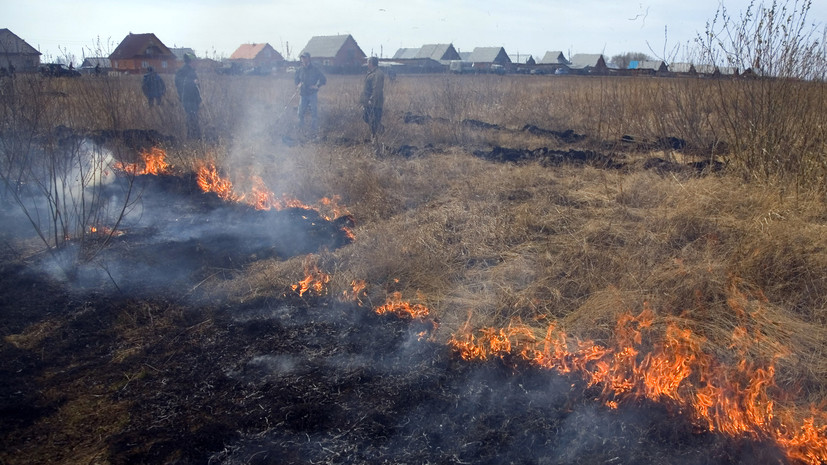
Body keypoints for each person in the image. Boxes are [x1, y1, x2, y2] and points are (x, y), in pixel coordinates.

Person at [294, 52, 326, 136]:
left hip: (312, 94)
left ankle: (314, 130)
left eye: (305, 58)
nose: (303, 60)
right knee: (300, 112)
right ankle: (301, 129)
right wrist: (298, 84)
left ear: (309, 58)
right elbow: (296, 79)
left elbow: (323, 79)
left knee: (314, 112)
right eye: (302, 58)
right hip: (303, 94)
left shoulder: (315, 69)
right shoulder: (300, 70)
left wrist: (317, 86)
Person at [174, 54, 202, 139]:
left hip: (193, 99)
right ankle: (193, 137)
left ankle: (194, 136)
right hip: (188, 99)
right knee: (191, 118)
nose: (197, 63)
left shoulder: (190, 71)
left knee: (193, 118)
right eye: (195, 61)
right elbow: (180, 83)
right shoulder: (184, 71)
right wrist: (192, 82)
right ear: (191, 61)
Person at [361, 56, 385, 139]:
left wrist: (372, 100)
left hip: (375, 102)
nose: (367, 64)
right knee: (366, 117)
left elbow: (376, 89)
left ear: (371, 63)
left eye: (368, 62)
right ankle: (376, 133)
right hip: (368, 101)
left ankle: (376, 137)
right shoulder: (371, 73)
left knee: (373, 120)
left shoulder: (378, 74)